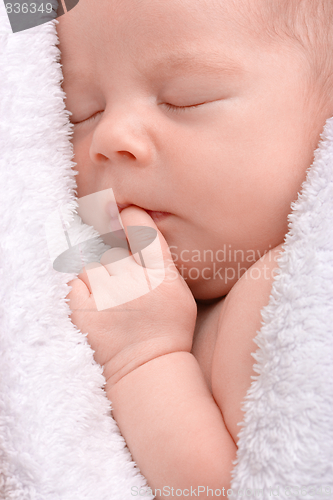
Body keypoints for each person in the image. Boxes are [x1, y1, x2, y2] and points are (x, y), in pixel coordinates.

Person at [56, 0, 333, 497]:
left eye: (184, 100)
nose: (110, 137)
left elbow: (240, 489)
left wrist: (142, 356)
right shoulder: (73, 269)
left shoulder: (285, 290)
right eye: (81, 112)